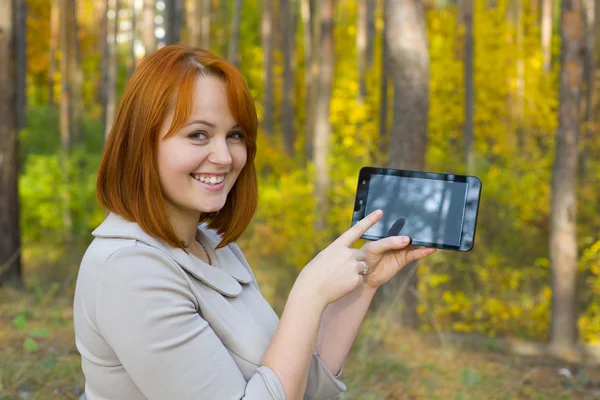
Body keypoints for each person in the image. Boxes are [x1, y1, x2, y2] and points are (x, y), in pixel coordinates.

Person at [73, 45, 436, 400]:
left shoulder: (214, 245)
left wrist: (364, 282)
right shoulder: (128, 270)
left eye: (234, 135)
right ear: (142, 144)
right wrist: (308, 294)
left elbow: (299, 386)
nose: (225, 156)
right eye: (198, 134)